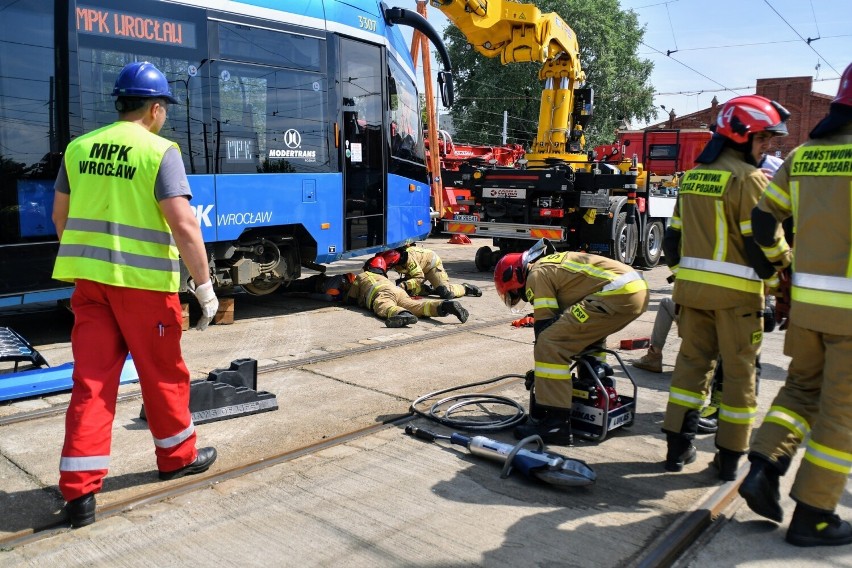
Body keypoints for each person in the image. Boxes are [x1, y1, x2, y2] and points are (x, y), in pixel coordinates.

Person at [51, 62, 219, 528]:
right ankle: (176, 457)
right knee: (163, 375)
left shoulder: (78, 149)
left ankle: (79, 495)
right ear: (155, 108)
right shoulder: (159, 151)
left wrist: (89, 265)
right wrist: (203, 286)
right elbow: (184, 226)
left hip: (90, 288)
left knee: (92, 384)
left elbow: (60, 218)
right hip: (144, 291)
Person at [738, 63, 852, 547]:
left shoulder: (804, 156)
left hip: (807, 308)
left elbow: (763, 222)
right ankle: (815, 515)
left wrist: (779, 269)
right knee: (841, 413)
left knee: (802, 390)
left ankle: (763, 466)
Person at [661, 94, 790, 481]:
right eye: (764, 138)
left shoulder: (693, 176)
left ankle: (676, 450)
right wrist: (777, 282)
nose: (769, 145)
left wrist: (683, 277)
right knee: (739, 378)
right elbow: (760, 244)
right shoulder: (749, 180)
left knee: (689, 371)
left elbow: (672, 241)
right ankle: (728, 460)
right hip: (738, 300)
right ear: (740, 136)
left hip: (692, 294)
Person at [493, 239, 649, 445]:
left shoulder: (536, 275)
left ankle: (555, 424)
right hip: (635, 291)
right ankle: (594, 381)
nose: (520, 296)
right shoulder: (550, 265)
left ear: (514, 276)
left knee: (550, 343)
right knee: (583, 335)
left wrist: (542, 378)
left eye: (513, 292)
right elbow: (568, 329)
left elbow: (544, 329)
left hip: (616, 292)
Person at [346, 256, 469, 327]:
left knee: (384, 306)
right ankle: (444, 305)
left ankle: (403, 315)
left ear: (368, 267)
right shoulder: (384, 278)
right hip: (399, 291)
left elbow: (351, 298)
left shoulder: (362, 276)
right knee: (417, 306)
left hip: (382, 293)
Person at [379, 245, 481, 299]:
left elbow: (419, 277)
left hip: (432, 266)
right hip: (418, 270)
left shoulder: (408, 258)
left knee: (446, 293)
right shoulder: (390, 258)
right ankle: (431, 289)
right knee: (407, 291)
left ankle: (465, 288)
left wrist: (405, 284)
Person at [281, 272, 356, 302]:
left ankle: (281, 286)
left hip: (316, 281)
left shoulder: (341, 279)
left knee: (295, 284)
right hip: (314, 284)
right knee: (295, 286)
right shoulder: (340, 282)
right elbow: (327, 295)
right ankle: (281, 287)